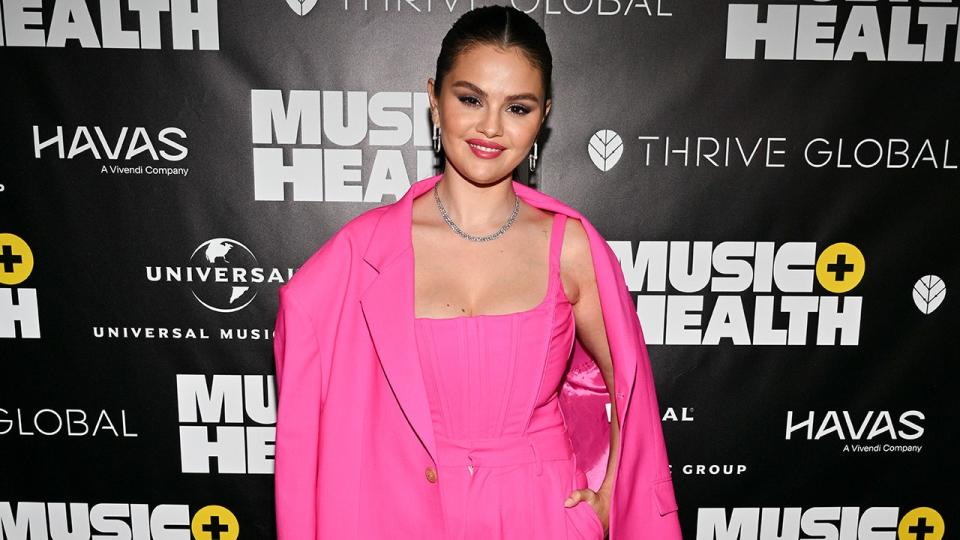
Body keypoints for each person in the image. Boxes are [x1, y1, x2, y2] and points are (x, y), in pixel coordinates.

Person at [272, 6, 680, 540]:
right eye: (470, 99)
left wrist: (608, 499)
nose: (490, 127)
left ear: (544, 116)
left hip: (541, 513)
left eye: (517, 107)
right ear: (434, 101)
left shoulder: (569, 246)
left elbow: (628, 383)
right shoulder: (365, 251)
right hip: (403, 515)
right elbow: (306, 380)